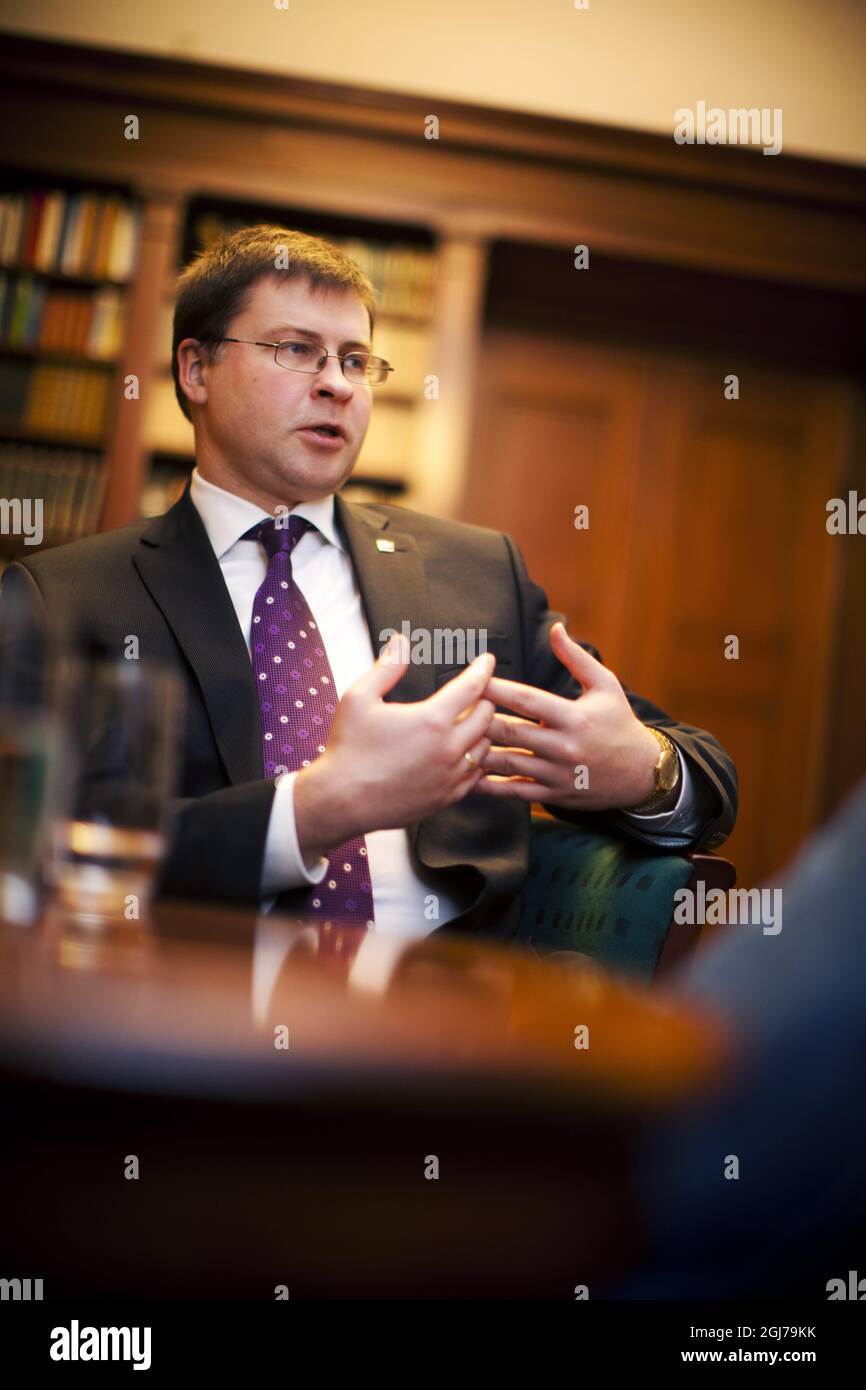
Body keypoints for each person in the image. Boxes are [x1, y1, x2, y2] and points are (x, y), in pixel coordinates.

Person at [0, 225, 737, 941]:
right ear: (196, 370)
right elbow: (31, 848)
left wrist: (644, 770)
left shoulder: (476, 575)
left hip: (446, 1018)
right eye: (297, 350)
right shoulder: (63, 599)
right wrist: (313, 809)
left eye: (356, 361)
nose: (336, 385)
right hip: (186, 1012)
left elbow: (702, 768)